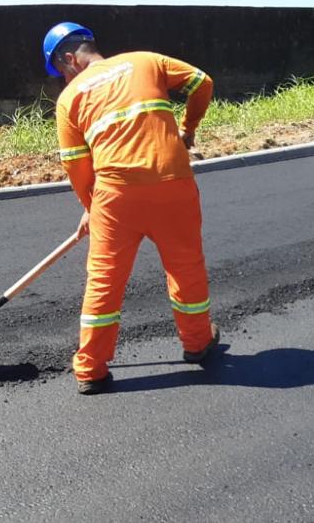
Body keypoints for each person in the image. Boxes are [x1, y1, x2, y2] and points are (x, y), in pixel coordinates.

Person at [45, 22, 220, 395]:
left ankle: (90, 367)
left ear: (69, 59)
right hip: (173, 184)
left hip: (115, 195)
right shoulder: (146, 61)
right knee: (185, 266)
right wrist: (188, 130)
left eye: (60, 71)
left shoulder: (70, 97)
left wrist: (91, 206)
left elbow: (75, 164)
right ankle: (197, 342)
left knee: (104, 279)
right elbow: (202, 82)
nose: (63, 77)